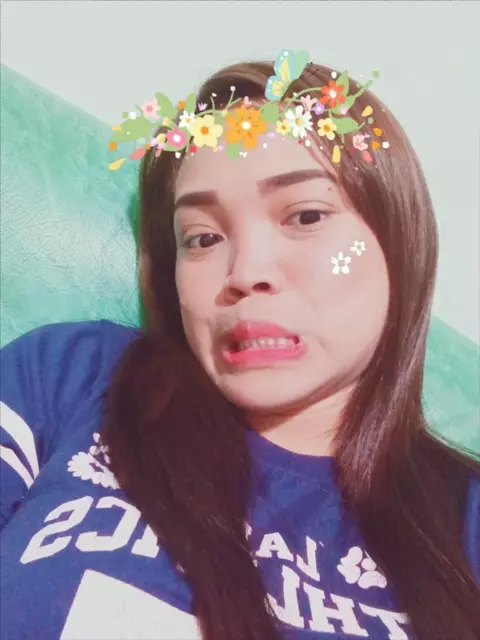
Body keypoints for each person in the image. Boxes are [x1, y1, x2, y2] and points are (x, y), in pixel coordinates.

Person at [1, 53, 479, 640]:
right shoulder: (72, 376)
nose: (246, 272)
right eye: (202, 238)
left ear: (399, 242)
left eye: (306, 216)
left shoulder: (465, 523)